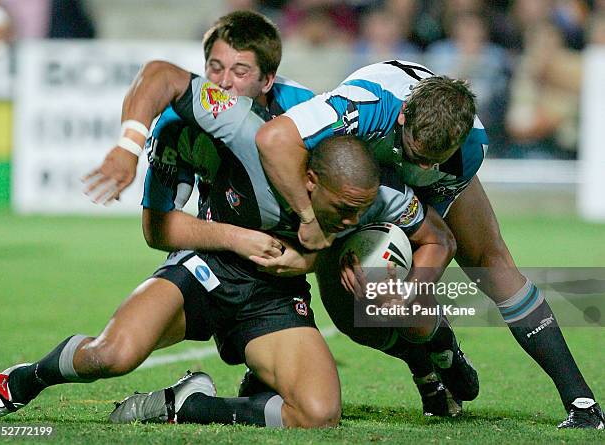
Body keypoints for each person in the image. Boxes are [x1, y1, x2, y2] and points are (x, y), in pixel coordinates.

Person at [81, 11, 477, 417]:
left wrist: (329, 255)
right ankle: (22, 380)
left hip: (281, 286)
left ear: (267, 80)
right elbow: (158, 228)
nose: (222, 84)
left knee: (333, 378)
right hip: (215, 262)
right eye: (214, 69)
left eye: (239, 71)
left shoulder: (309, 120)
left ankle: (429, 366)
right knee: (113, 353)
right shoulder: (182, 122)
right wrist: (129, 146)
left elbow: (349, 206)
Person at [254, 59, 604, 429]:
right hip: (355, 179)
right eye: (412, 152)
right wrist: (312, 224)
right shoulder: (361, 106)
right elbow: (277, 139)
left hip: (398, 193)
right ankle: (428, 360)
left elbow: (436, 237)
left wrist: (409, 294)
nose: (417, 165)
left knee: (489, 264)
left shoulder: (469, 148)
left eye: (429, 161)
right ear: (403, 117)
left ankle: (581, 402)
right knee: (350, 306)